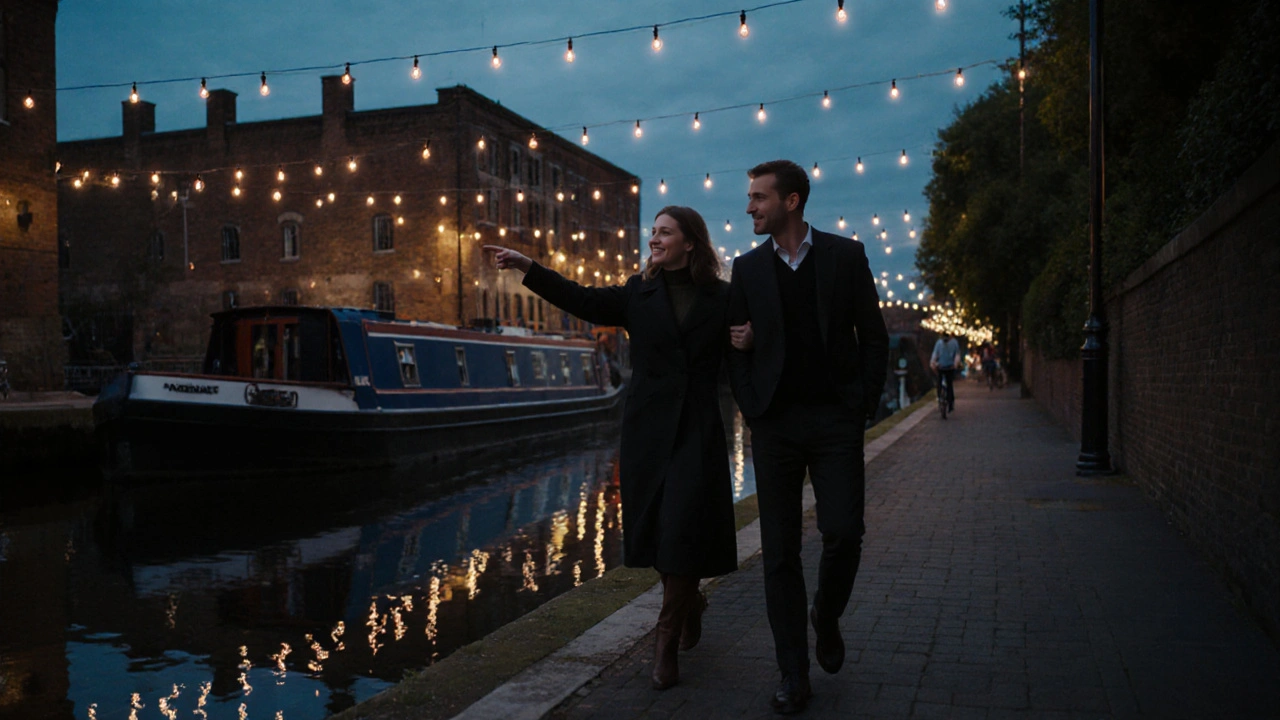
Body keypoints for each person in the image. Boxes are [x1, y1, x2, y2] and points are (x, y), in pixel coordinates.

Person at [483, 206, 739, 691]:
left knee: (684, 523)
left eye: (665, 233)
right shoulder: (635, 293)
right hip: (647, 430)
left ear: (691, 242)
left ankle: (664, 635)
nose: (655, 240)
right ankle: (690, 602)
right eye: (654, 232)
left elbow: (746, 345)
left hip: (697, 428)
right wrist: (527, 266)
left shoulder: (722, 297)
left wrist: (747, 339)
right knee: (662, 531)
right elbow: (580, 299)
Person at [727, 160, 889, 714]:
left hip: (834, 422)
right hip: (774, 426)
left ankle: (826, 613)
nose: (749, 207)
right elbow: (734, 345)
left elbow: (873, 338)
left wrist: (860, 406)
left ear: (791, 201)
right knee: (780, 553)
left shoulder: (846, 257)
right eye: (749, 198)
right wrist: (751, 404)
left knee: (844, 532)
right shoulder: (745, 270)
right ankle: (793, 673)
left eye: (758, 197)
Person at [930, 331, 960, 411]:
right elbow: (957, 355)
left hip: (941, 366)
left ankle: (940, 398)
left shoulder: (939, 343)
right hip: (950, 367)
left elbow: (935, 354)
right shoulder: (954, 343)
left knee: (940, 383)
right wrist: (955, 364)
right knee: (949, 385)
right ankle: (950, 403)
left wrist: (933, 363)